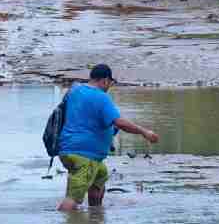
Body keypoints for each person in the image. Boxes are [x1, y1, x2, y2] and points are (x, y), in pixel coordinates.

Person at [56, 64, 158, 211]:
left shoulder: (75, 90)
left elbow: (86, 118)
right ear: (104, 81)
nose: (109, 86)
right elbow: (119, 122)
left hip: (68, 151)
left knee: (100, 176)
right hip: (84, 156)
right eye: (110, 83)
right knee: (73, 198)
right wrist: (144, 132)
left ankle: (95, 215)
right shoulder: (101, 97)